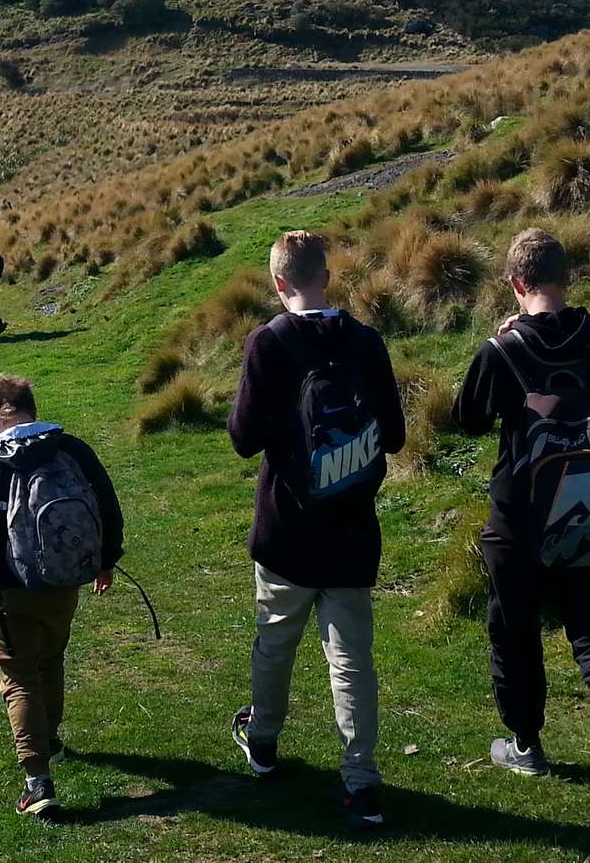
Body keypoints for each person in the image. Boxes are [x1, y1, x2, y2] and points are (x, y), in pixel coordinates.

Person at [453, 227, 590, 825]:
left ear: (516, 283)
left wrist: (500, 343)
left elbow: (467, 419)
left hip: (518, 525)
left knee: (515, 632)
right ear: (568, 278)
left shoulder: (503, 352)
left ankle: (526, 744)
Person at [226, 230, 405, 830]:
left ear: (279, 283)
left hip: (287, 527)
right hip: (352, 528)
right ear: (326, 276)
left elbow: (243, 438)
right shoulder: (366, 341)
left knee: (275, 641)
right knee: (350, 660)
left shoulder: (268, 343)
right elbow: (395, 436)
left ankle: (264, 740)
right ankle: (360, 781)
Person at [0, 374, 125, 820]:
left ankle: (37, 781)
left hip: (12, 587)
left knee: (19, 677)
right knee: (50, 660)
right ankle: (51, 739)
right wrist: (105, 561)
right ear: (33, 409)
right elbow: (107, 505)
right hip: (66, 581)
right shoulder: (73, 449)